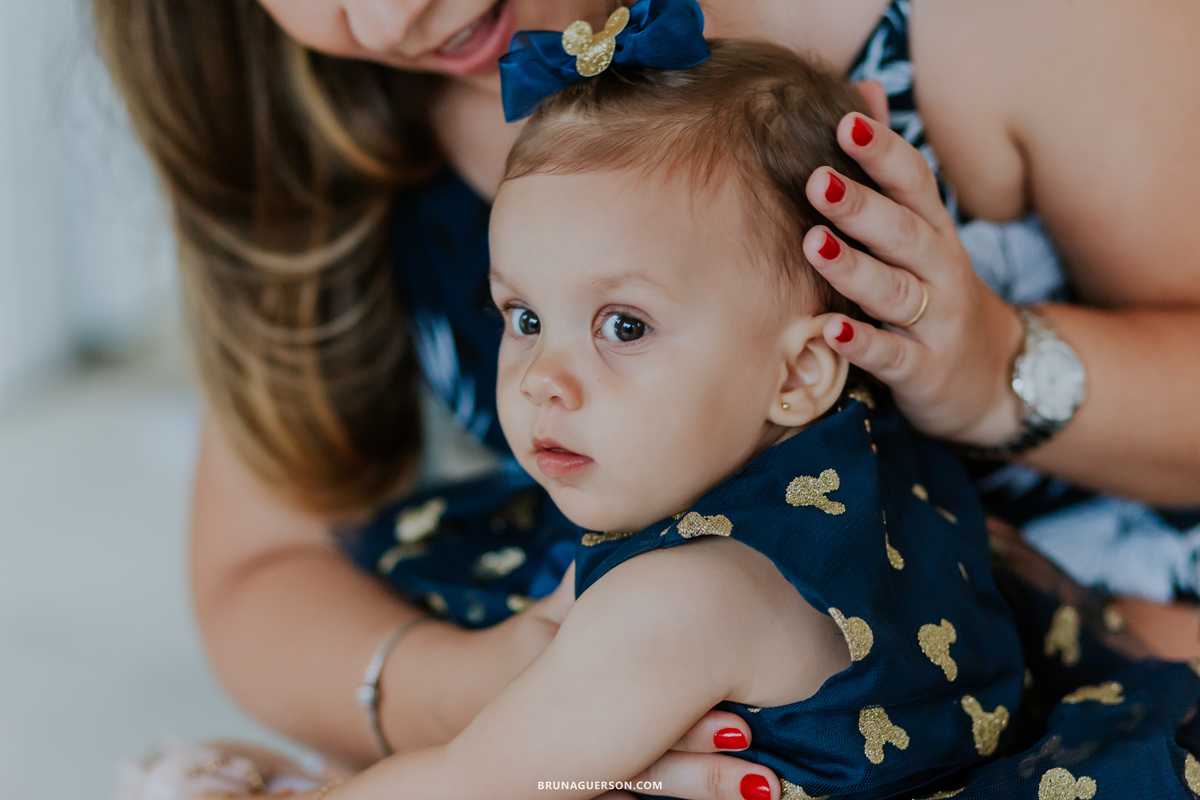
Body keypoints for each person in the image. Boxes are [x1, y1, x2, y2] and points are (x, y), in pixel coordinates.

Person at [90, 0, 1200, 788]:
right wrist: (497, 695)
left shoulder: (1006, 25)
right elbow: (258, 567)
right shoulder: (313, 114)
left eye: (622, 324)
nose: (387, 20)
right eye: (518, 314)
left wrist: (998, 370)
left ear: (809, 363)